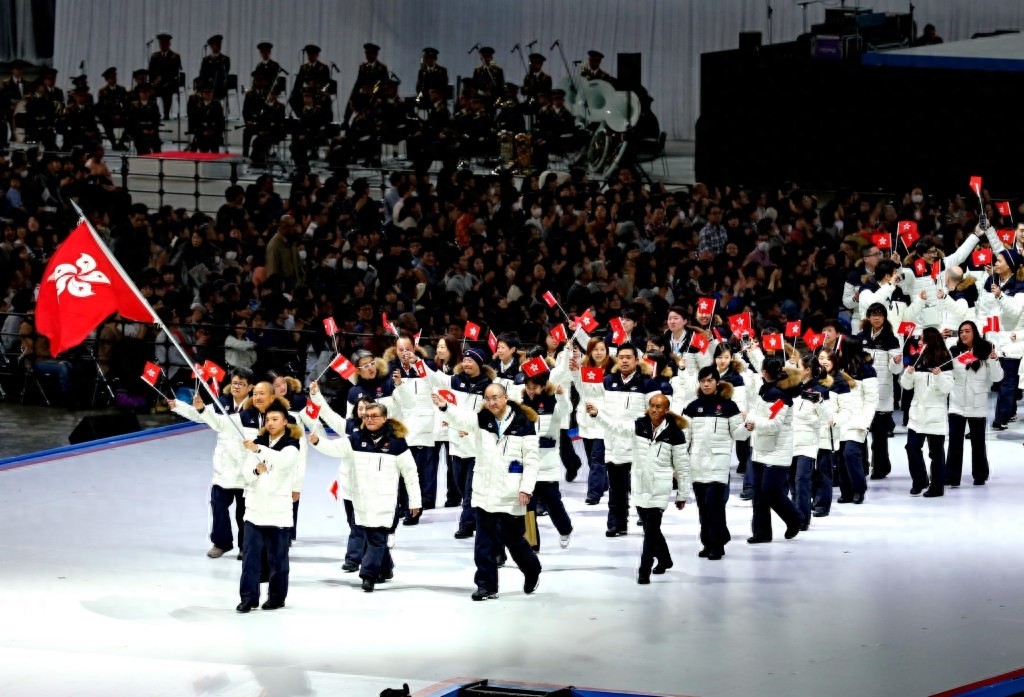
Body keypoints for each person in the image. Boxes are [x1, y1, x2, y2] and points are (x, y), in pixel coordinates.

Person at [432, 383, 541, 601]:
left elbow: (531, 459)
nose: (491, 403)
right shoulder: (482, 418)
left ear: (506, 397)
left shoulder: (524, 423)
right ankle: (486, 585)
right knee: (484, 541)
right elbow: (461, 419)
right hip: (484, 491)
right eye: (488, 399)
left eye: (496, 398)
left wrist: (526, 488)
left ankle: (532, 569)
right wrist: (445, 408)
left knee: (514, 540)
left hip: (511, 491)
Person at [310, 402, 420, 592]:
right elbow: (334, 448)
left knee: (377, 537)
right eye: (367, 416)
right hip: (361, 499)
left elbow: (410, 473)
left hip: (385, 500)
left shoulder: (396, 442)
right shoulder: (355, 438)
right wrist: (317, 441)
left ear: (384, 418)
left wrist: (415, 501)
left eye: (374, 416)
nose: (369, 419)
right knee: (372, 537)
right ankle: (386, 568)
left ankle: (368, 575)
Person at [588, 393, 688, 582]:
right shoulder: (639, 425)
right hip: (640, 485)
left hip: (660, 487)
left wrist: (682, 493)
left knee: (650, 530)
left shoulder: (675, 433)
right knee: (652, 530)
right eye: (652, 406)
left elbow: (682, 467)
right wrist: (597, 415)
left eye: (659, 407)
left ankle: (644, 570)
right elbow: (615, 427)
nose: (654, 410)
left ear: (667, 410)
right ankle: (665, 560)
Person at [168, 367, 256, 559]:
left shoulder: (255, 407)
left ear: (250, 387)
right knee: (218, 506)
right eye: (234, 383)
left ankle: (245, 546)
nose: (237, 387)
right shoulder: (222, 402)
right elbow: (203, 416)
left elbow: (216, 421)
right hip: (224, 467)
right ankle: (221, 543)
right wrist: (179, 406)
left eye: (241, 384)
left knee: (245, 511)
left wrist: (204, 410)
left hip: (246, 468)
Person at [578, 342, 660, 537]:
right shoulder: (608, 381)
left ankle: (647, 520)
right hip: (613, 443)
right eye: (621, 357)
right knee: (616, 488)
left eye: (628, 357)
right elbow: (587, 393)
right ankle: (617, 524)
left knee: (640, 486)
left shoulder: (647, 383)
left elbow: (657, 411)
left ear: (637, 360)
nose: (624, 360)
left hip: (638, 443)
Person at [237, 400, 301, 612]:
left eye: (275, 419)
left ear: (285, 422)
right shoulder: (257, 442)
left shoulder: (292, 445)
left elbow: (283, 462)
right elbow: (246, 473)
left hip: (278, 512)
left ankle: (276, 597)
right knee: (250, 559)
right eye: (267, 419)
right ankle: (248, 598)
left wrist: (259, 451)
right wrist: (256, 471)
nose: (270, 423)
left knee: (278, 560)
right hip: (254, 511)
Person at [424, 346, 494, 539]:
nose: (466, 363)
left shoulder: (487, 386)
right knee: (461, 487)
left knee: (471, 489)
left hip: (476, 445)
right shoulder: (455, 381)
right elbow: (434, 377)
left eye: (471, 360)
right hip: (456, 444)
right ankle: (475, 517)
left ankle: (466, 524)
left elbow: (486, 414)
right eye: (465, 360)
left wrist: (471, 426)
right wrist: (416, 361)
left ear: (479, 363)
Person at [682, 366, 748, 560]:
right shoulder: (692, 407)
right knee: (702, 506)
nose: (706, 384)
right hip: (697, 462)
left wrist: (748, 428)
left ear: (717, 382)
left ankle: (717, 545)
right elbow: (685, 437)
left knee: (714, 505)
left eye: (710, 380)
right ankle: (708, 542)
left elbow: (738, 434)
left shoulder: (729, 406)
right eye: (703, 381)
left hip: (719, 462)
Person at [745, 355, 802, 544]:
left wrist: (752, 421)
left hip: (777, 450)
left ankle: (794, 518)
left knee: (770, 491)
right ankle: (761, 533)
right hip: (760, 447)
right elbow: (757, 412)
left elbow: (774, 424)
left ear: (764, 372)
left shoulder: (780, 396)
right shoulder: (766, 390)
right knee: (759, 494)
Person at [388, 335, 441, 523]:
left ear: (415, 347)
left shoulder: (427, 367)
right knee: (400, 470)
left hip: (422, 427)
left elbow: (436, 384)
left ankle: (415, 509)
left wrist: (418, 363)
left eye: (407, 348)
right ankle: (402, 506)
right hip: (400, 427)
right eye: (400, 349)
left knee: (418, 471)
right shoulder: (390, 369)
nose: (404, 353)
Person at [519, 371, 574, 548]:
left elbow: (566, 411)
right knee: (528, 505)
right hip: (527, 463)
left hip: (547, 461)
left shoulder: (553, 402)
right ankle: (532, 543)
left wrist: (562, 396)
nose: (530, 391)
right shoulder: (521, 405)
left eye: (534, 387)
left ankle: (565, 529)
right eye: (527, 388)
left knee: (553, 503)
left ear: (543, 386)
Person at [900, 327, 954, 497]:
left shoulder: (945, 359)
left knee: (936, 452)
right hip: (917, 412)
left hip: (935, 413)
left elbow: (947, 388)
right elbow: (906, 386)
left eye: (922, 339)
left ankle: (937, 486)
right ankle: (919, 480)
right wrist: (908, 375)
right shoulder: (916, 359)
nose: (920, 342)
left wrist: (938, 376)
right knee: (912, 447)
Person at [947, 320, 1002, 487]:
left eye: (967, 331)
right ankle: (951, 477)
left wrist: (993, 360)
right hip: (957, 402)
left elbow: (997, 378)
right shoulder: (954, 350)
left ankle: (980, 475)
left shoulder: (987, 349)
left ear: (974, 333)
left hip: (978, 403)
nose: (963, 334)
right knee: (954, 443)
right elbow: (948, 372)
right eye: (961, 331)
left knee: (978, 443)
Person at [857, 302, 903, 479]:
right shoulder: (860, 337)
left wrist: (896, 362)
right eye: (873, 314)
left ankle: (881, 467)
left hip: (882, 393)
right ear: (868, 317)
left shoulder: (891, 339)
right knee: (860, 432)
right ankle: (862, 466)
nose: (876, 318)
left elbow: (896, 371)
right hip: (862, 393)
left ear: (884, 318)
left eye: (880, 314)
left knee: (880, 435)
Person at [790, 355, 835, 529]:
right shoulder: (793, 388)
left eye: (798, 367)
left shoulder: (820, 390)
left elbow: (829, 418)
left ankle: (802, 519)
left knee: (802, 480)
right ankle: (794, 515)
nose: (795, 370)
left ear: (807, 370)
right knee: (792, 482)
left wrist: (819, 402)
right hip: (790, 442)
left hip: (808, 444)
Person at [832, 338, 878, 504]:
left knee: (850, 454)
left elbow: (872, 399)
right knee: (840, 457)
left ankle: (859, 489)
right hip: (840, 419)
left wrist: (865, 422)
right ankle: (846, 492)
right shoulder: (836, 369)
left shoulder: (867, 370)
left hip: (857, 420)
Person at [570, 337, 613, 505]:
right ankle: (603, 484)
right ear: (590, 352)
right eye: (595, 349)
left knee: (597, 458)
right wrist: (575, 372)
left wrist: (598, 380)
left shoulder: (612, 370)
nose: (599, 352)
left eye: (602, 349)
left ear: (607, 351)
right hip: (586, 419)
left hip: (602, 418)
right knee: (591, 458)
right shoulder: (584, 369)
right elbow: (580, 389)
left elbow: (606, 394)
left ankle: (593, 493)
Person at [148, 32, 183, 120]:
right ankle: (154, 114)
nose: (163, 45)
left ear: (169, 44)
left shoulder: (175, 56)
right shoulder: (155, 56)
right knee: (148, 90)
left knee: (167, 89)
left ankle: (166, 114)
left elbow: (175, 72)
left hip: (169, 83)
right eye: (161, 43)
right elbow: (151, 71)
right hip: (156, 83)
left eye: (165, 43)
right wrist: (153, 81)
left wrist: (161, 78)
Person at [198, 34, 231, 101]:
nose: (218, 46)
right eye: (216, 44)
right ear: (211, 46)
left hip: (219, 86)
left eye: (219, 44)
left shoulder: (225, 59)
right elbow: (202, 73)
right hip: (207, 86)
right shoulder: (206, 60)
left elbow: (225, 73)